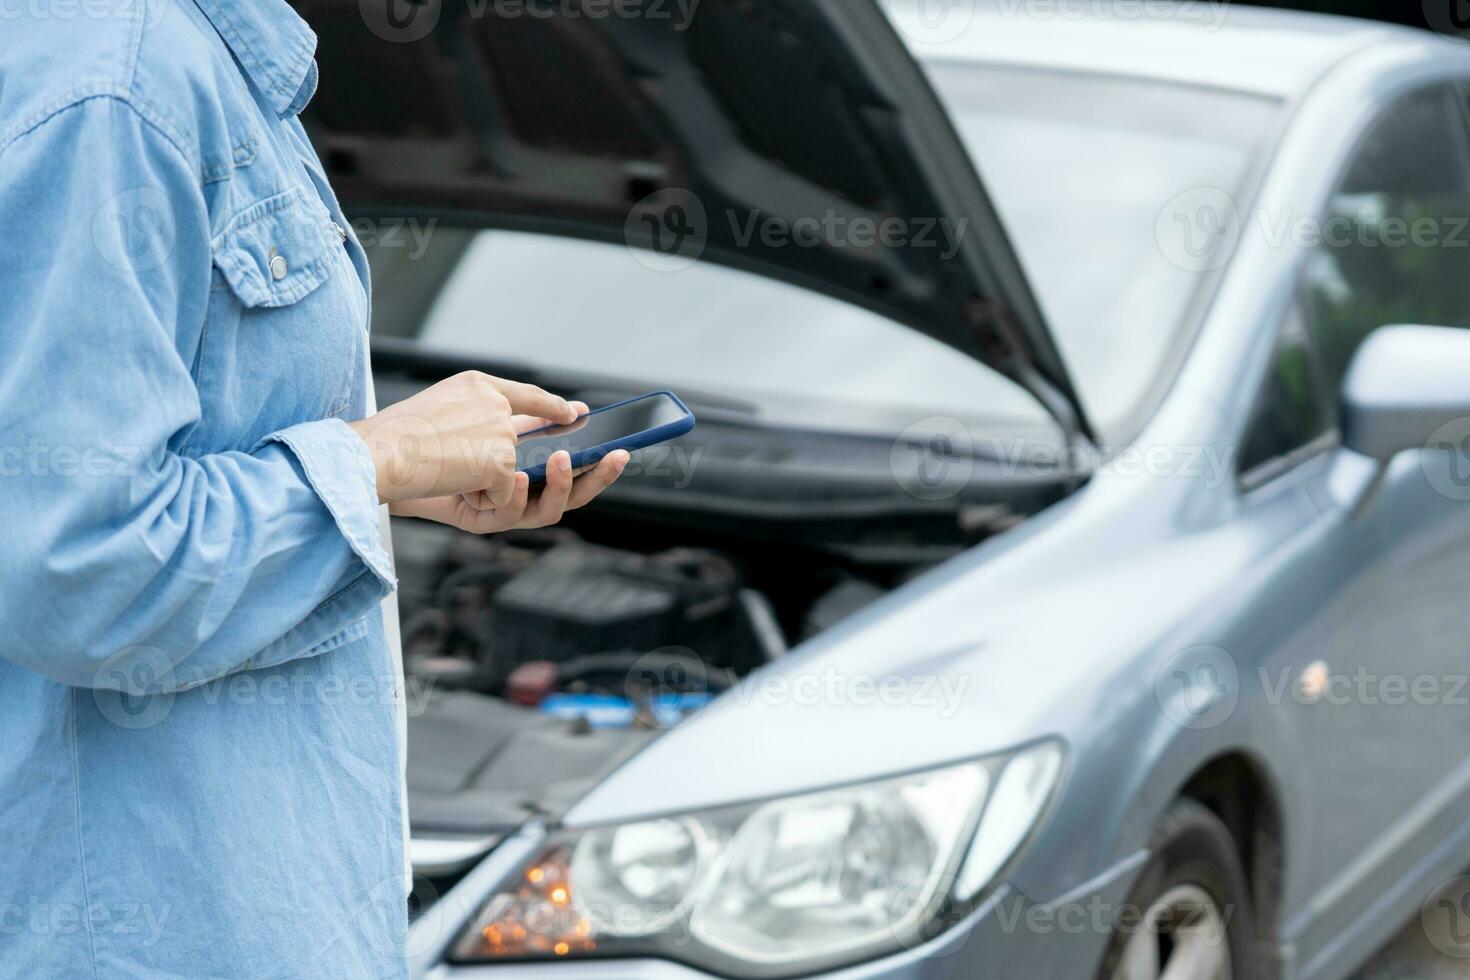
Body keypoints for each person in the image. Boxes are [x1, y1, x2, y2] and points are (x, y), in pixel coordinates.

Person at [0, 1, 627, 976]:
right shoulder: (116, 80)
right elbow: (80, 565)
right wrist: (373, 463)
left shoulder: (188, 59)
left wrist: (389, 485)